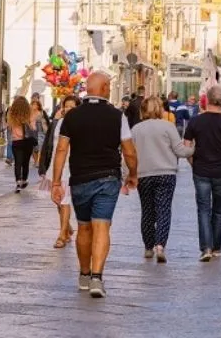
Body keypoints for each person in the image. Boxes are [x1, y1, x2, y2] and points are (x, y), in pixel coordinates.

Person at [51, 71, 138, 298]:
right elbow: (129, 151)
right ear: (105, 88)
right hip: (108, 178)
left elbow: (61, 149)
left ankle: (84, 274)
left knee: (84, 227)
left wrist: (57, 181)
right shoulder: (117, 116)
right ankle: (97, 279)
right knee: (102, 226)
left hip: (80, 178)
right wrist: (133, 174)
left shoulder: (71, 117)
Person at [131, 96, 194, 263]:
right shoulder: (168, 127)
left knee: (147, 211)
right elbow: (180, 151)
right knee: (164, 209)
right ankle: (160, 246)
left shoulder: (136, 129)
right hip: (166, 173)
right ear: (160, 109)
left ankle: (147, 247)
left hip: (143, 174)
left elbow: (130, 154)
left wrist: (128, 174)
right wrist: (194, 149)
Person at [184, 86, 221, 262]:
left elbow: (186, 147)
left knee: (203, 209)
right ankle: (216, 247)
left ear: (207, 100)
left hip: (201, 170)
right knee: (219, 211)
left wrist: (194, 163)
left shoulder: (195, 122)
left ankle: (206, 248)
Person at [40, 94, 81, 249]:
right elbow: (51, 143)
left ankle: (62, 235)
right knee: (57, 199)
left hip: (71, 166)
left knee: (64, 200)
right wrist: (44, 165)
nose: (69, 109)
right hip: (56, 165)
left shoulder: (80, 125)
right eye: (67, 106)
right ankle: (67, 227)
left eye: (72, 106)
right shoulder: (59, 123)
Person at [6, 96, 35, 193]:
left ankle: (18, 181)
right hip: (27, 141)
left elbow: (9, 126)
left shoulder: (12, 113)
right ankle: (24, 180)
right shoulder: (30, 113)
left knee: (18, 162)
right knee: (25, 162)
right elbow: (33, 128)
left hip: (16, 141)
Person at [30, 100, 49, 168]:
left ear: (38, 106)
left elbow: (46, 121)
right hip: (32, 132)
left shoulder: (41, 113)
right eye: (33, 104)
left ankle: (38, 162)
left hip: (40, 132)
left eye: (36, 104)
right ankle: (35, 161)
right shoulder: (29, 113)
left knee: (40, 147)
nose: (34, 106)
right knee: (34, 148)